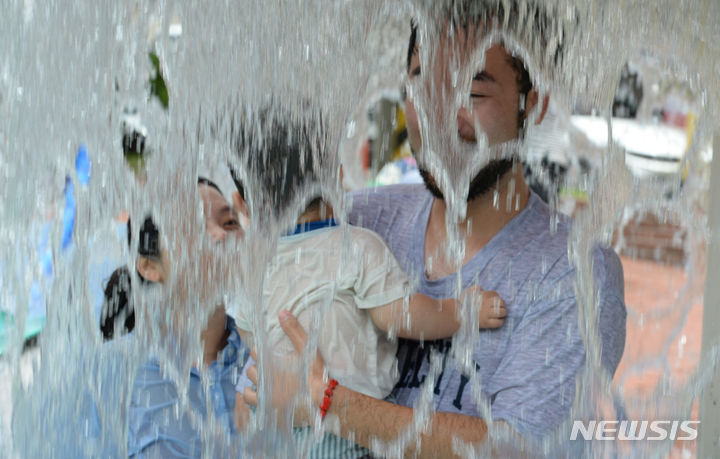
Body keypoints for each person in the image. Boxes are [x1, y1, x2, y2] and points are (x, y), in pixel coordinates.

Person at [242, 3, 627, 457]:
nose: (439, 113)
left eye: (472, 91)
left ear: (534, 102)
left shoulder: (573, 272)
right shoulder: (356, 220)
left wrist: (332, 405)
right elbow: (247, 377)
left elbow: (517, 448)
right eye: (422, 83)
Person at [230, 109, 507, 458]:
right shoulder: (356, 246)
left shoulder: (250, 271)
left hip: (277, 429)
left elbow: (252, 338)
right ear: (336, 178)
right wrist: (462, 311)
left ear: (243, 205)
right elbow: (400, 317)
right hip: (343, 435)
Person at [99, 178, 247, 457]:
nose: (219, 235)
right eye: (192, 226)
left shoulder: (265, 358)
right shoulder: (113, 372)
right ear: (148, 266)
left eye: (229, 222)